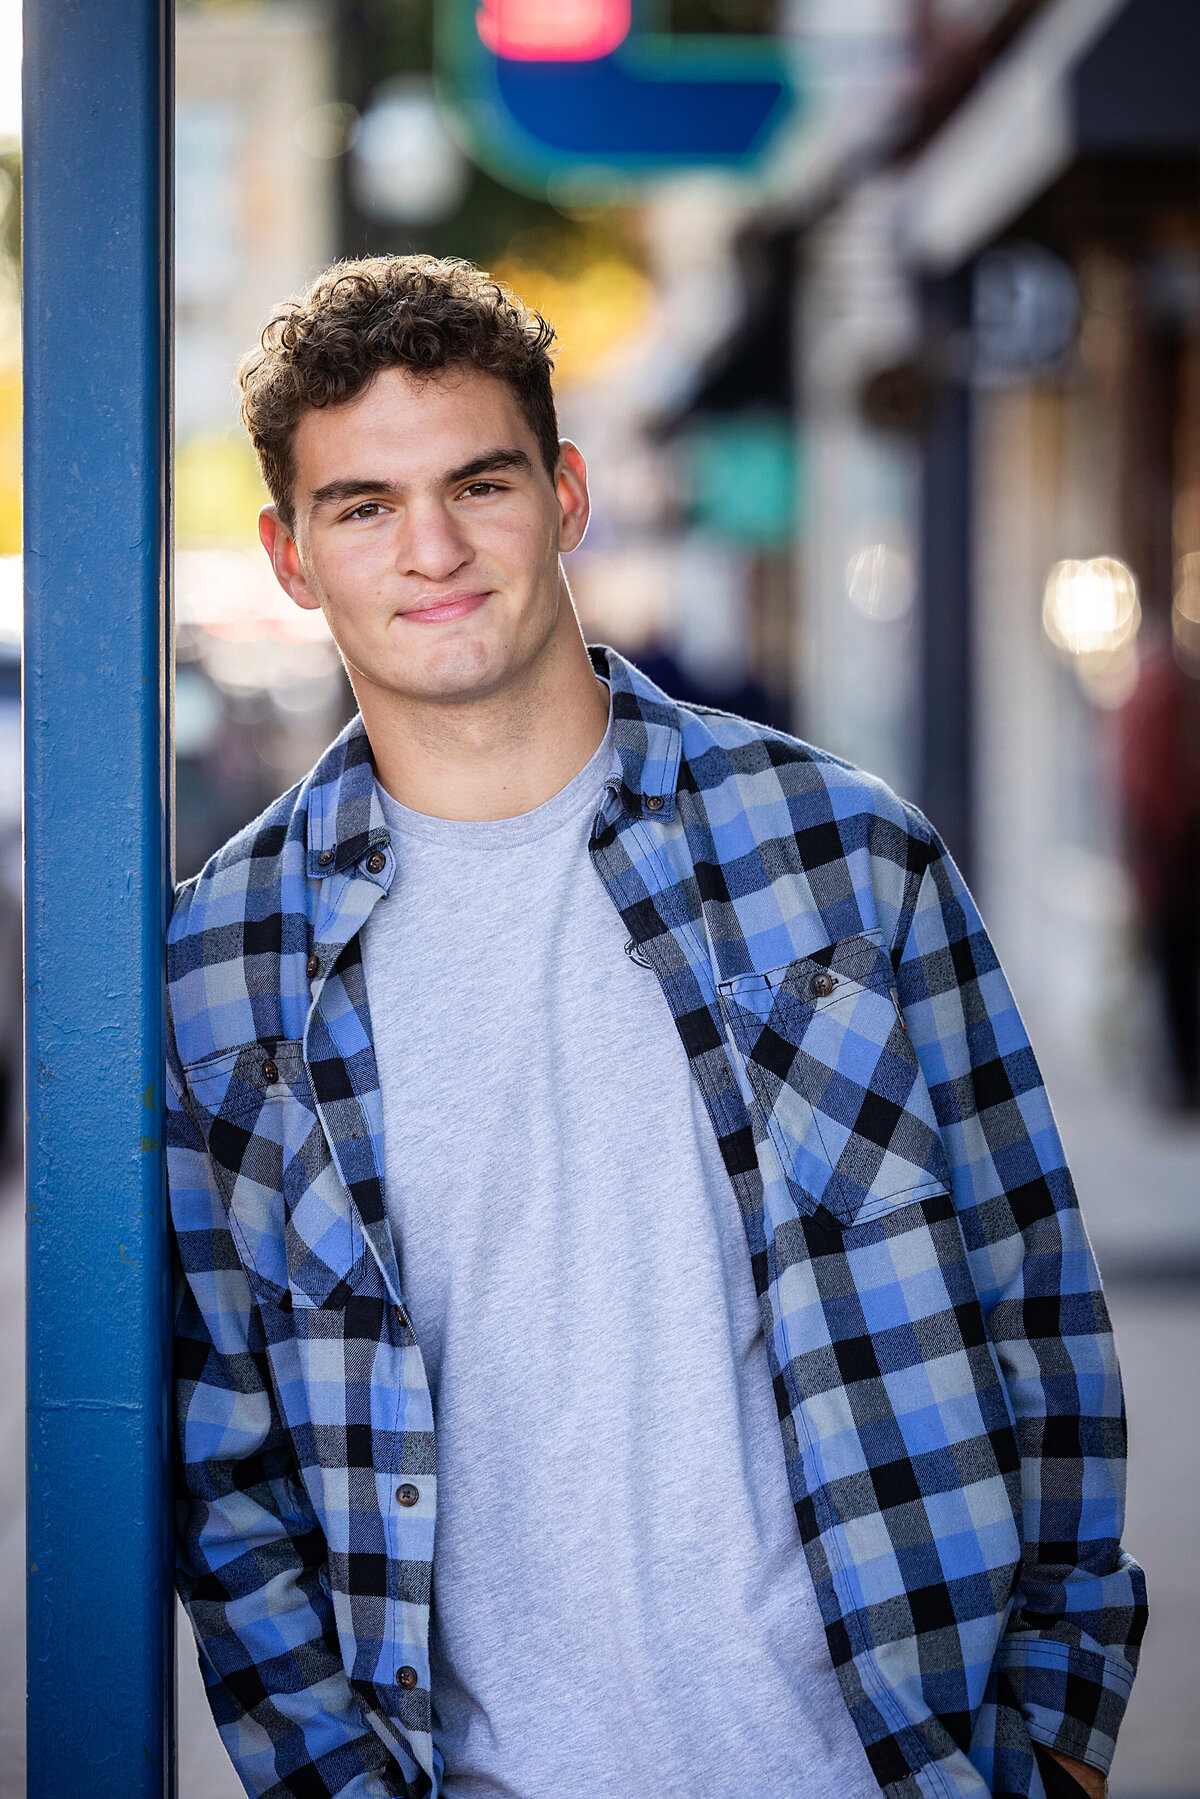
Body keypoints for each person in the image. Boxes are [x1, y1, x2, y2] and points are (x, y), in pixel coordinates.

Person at [166, 256, 1146, 1799]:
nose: (431, 549)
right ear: (294, 557)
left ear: (563, 495)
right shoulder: (230, 963)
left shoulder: (846, 859)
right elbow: (230, 1473)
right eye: (363, 506)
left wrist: (1066, 1738)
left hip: (890, 1770)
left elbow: (1039, 1307)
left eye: (477, 484)